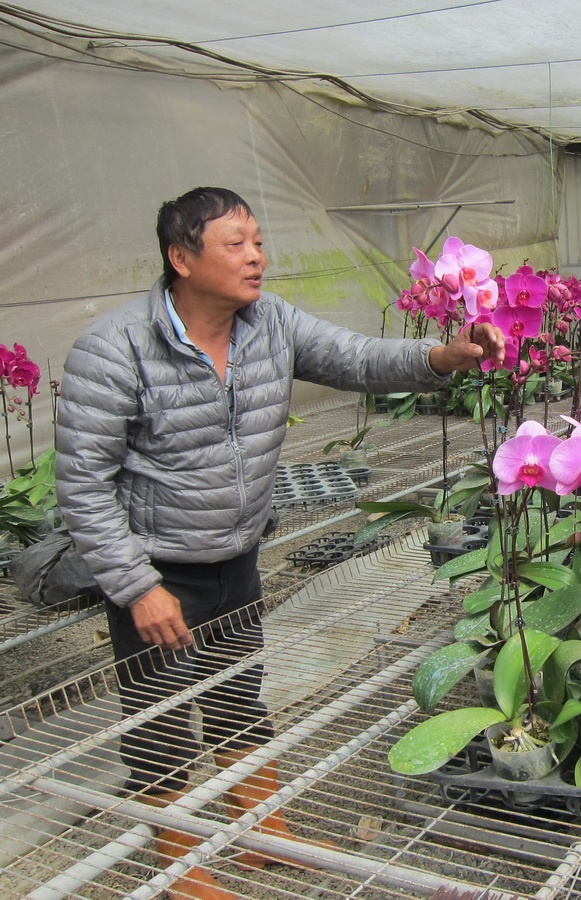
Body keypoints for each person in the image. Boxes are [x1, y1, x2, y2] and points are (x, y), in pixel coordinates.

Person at [55, 186, 504, 900]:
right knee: (162, 721)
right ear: (181, 257)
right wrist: (137, 586)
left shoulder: (270, 324)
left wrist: (444, 357)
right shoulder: (114, 351)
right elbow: (82, 484)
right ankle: (181, 871)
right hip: (157, 567)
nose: (257, 256)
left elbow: (358, 359)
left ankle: (265, 835)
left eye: (259, 241)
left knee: (239, 697)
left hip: (235, 555)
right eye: (235, 244)